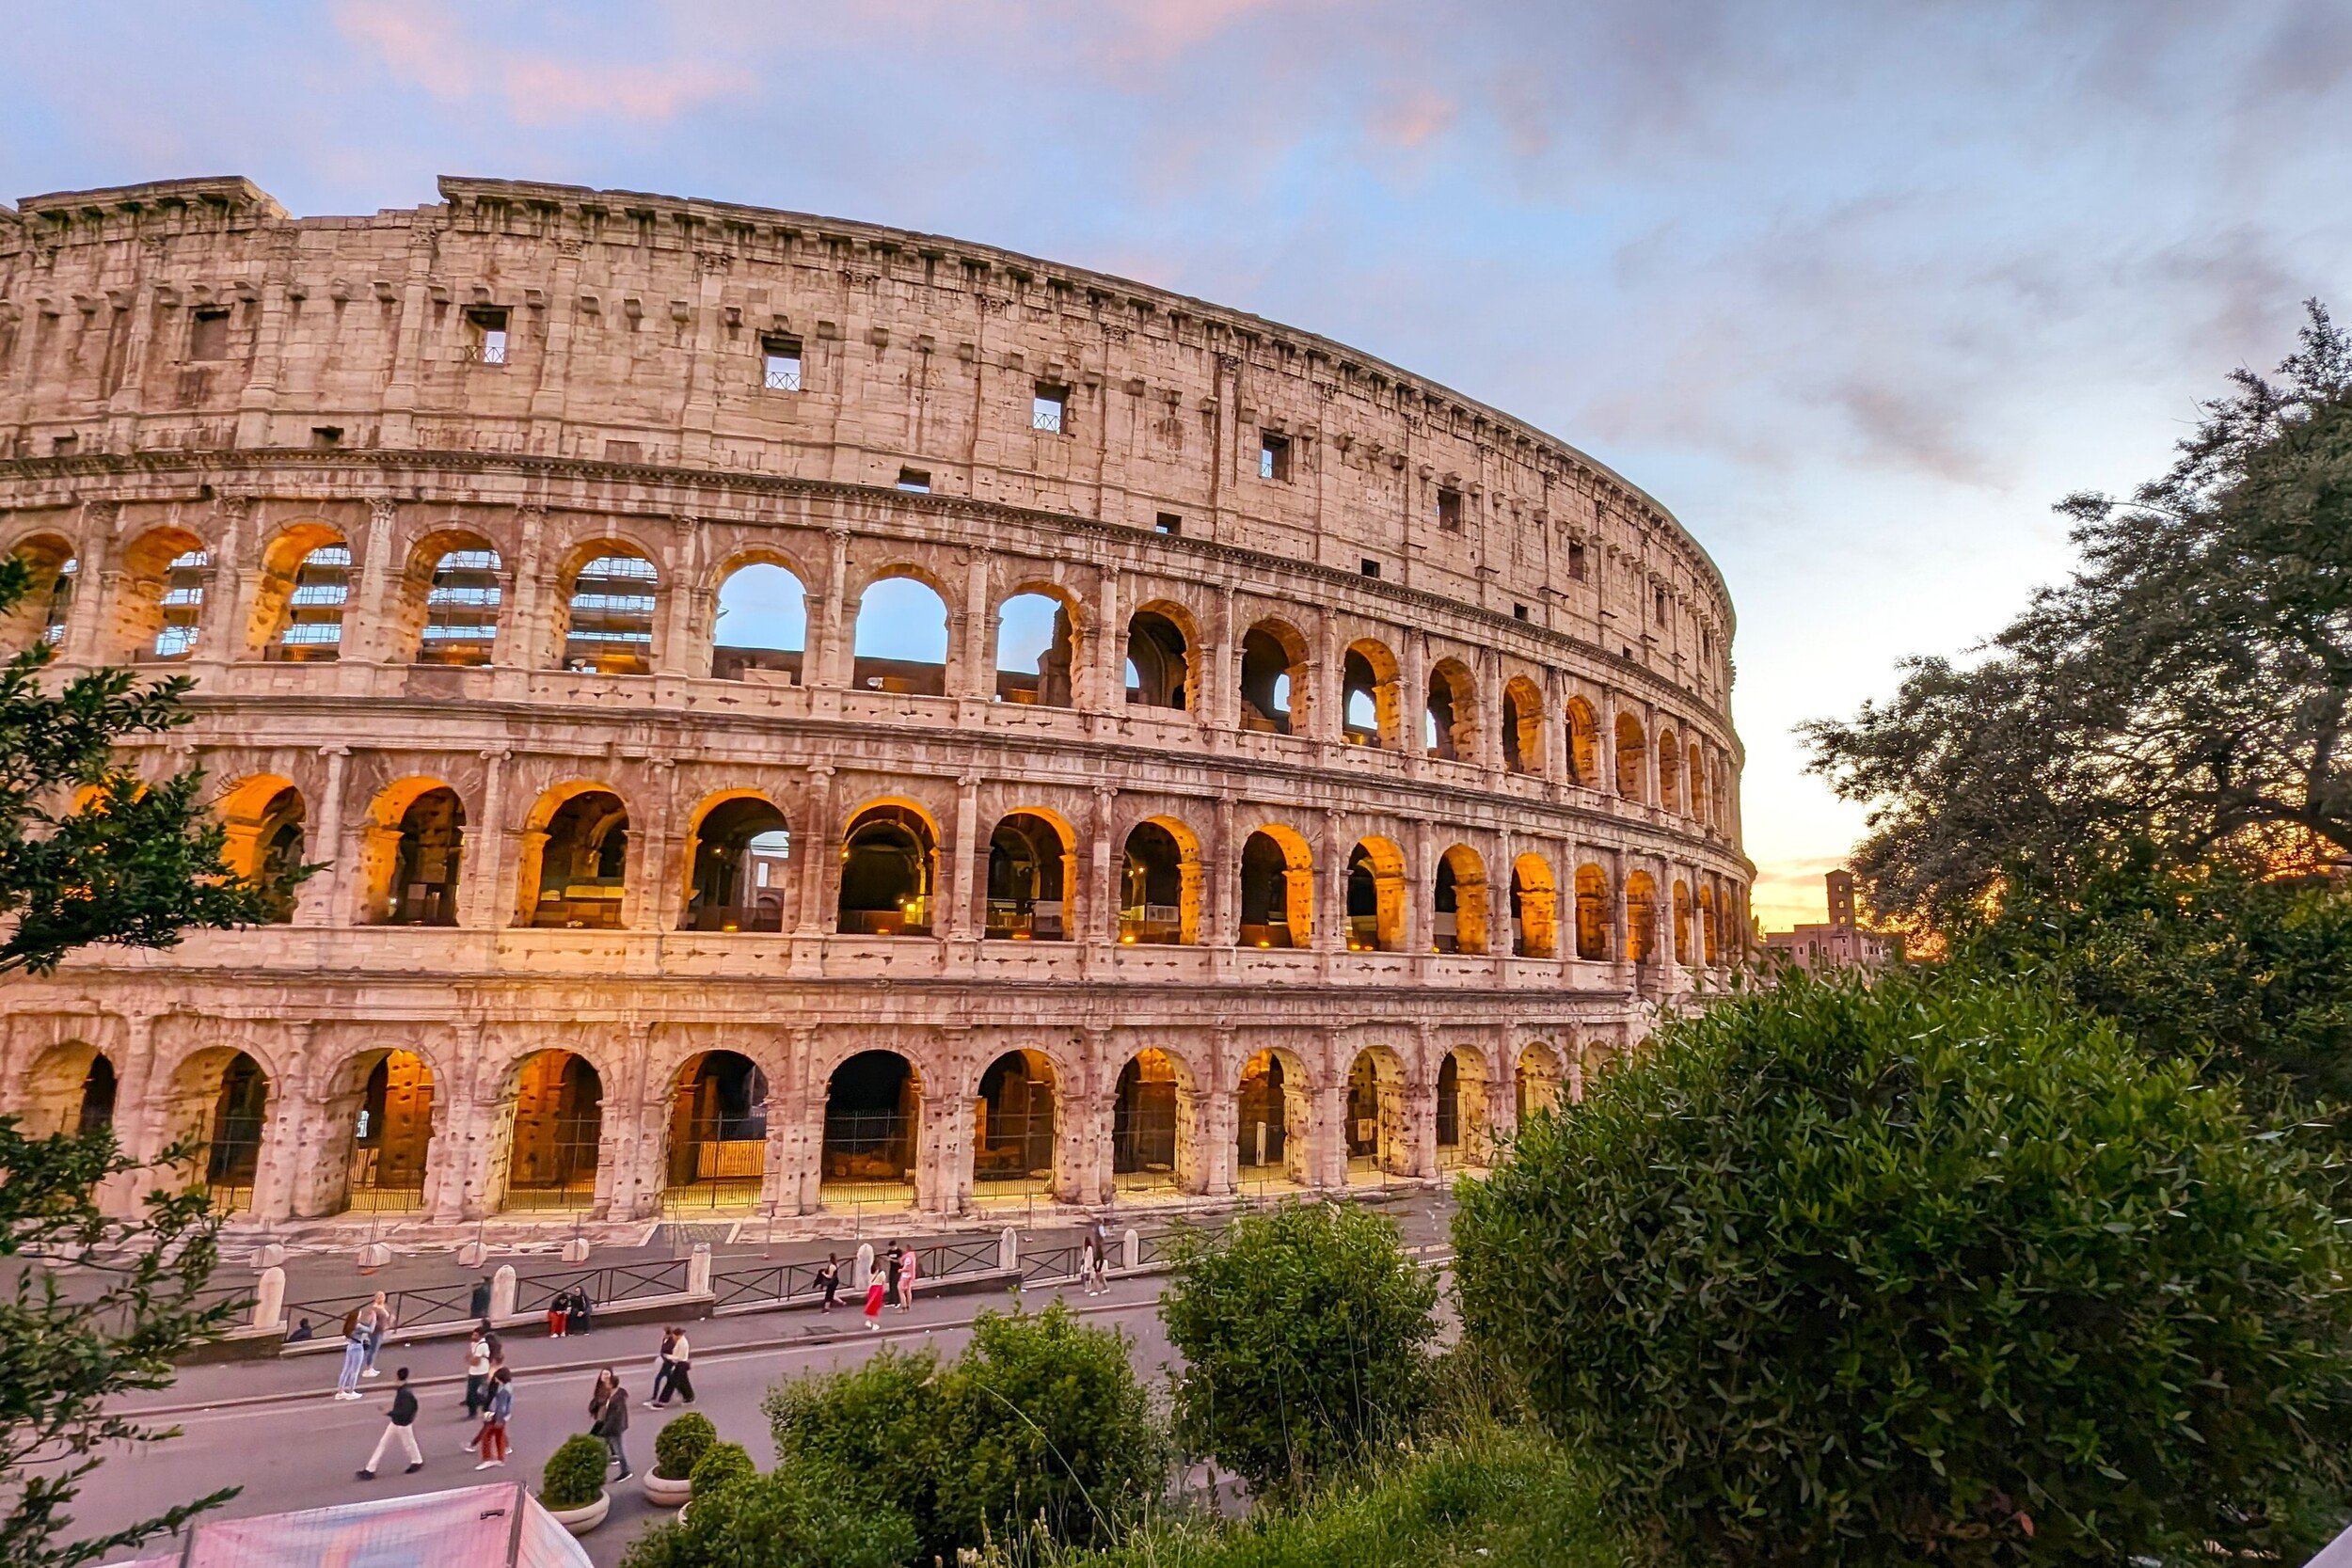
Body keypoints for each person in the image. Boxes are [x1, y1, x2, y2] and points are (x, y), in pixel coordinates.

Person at [357, 1367, 423, 1480]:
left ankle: (417, 1461)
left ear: (397, 1377)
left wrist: (389, 1412)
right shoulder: (405, 1390)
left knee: (406, 1443)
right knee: (389, 1443)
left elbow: (403, 1411)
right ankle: (370, 1469)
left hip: (401, 1423)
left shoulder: (404, 1393)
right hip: (399, 1422)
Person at [591, 1371, 631, 1480]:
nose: (605, 1383)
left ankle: (625, 1471)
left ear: (612, 1384)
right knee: (604, 1447)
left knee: (619, 1450)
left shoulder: (617, 1399)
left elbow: (615, 1418)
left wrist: (604, 1430)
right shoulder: (610, 1394)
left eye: (608, 1382)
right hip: (608, 1426)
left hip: (614, 1428)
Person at [474, 1366, 513, 1469]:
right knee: (499, 1437)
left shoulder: (503, 1390)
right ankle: (500, 1459)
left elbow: (501, 1406)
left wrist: (498, 1419)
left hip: (497, 1417)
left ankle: (487, 1459)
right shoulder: (507, 1387)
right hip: (503, 1417)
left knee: (486, 1437)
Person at [333, 1305, 369, 1401]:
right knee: (355, 1371)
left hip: (350, 1346)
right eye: (360, 1314)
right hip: (358, 1347)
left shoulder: (349, 1325)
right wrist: (373, 1320)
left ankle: (340, 1391)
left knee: (346, 1369)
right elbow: (370, 1330)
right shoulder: (358, 1326)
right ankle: (351, 1391)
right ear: (357, 1316)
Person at [651, 1328, 693, 1407]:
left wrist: (668, 1356)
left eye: (674, 1336)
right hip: (680, 1364)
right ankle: (689, 1397)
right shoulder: (680, 1341)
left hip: (681, 1364)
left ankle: (662, 1401)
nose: (673, 1337)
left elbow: (678, 1357)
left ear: (678, 1335)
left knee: (671, 1382)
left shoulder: (682, 1344)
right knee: (684, 1382)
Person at [463, 1323, 493, 1418]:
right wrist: (470, 1359)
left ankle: (476, 1412)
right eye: (473, 1334)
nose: (473, 1337)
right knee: (476, 1392)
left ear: (481, 1336)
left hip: (480, 1372)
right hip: (474, 1371)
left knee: (474, 1392)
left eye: (475, 1335)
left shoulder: (482, 1345)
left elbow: (475, 1362)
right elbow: (470, 1356)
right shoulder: (474, 1344)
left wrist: (470, 1359)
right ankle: (481, 1409)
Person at [360, 1291, 392, 1377]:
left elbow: (388, 1315)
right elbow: (369, 1321)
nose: (382, 1298)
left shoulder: (384, 1306)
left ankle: (371, 1367)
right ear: (376, 1298)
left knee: (375, 1349)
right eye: (380, 1297)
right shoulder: (374, 1309)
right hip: (376, 1331)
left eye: (383, 1297)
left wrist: (388, 1324)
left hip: (381, 1331)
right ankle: (368, 1369)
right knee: (373, 1349)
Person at [644, 1327, 677, 1408]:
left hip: (669, 1363)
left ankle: (655, 1397)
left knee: (658, 1379)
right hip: (665, 1362)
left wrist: (666, 1357)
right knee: (670, 1380)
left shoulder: (672, 1342)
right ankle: (674, 1393)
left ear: (669, 1334)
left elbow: (670, 1352)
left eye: (665, 1333)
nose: (664, 1335)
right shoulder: (665, 1340)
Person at [896, 1243, 919, 1313]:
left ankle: (904, 1307)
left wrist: (901, 1270)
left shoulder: (908, 1257)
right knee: (908, 1290)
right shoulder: (913, 1256)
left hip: (906, 1275)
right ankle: (908, 1306)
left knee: (901, 1290)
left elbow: (907, 1267)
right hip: (910, 1275)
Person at [863, 1265, 887, 1332]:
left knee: (871, 1305)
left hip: (872, 1289)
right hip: (878, 1289)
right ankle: (875, 1324)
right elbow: (884, 1283)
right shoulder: (882, 1273)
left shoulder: (871, 1274)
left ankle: (869, 1320)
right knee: (876, 1307)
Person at [884, 1244, 905, 1309]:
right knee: (891, 1283)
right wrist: (887, 1259)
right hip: (892, 1269)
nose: (891, 1248)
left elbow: (900, 1262)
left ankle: (897, 1301)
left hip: (898, 1270)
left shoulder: (899, 1252)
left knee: (895, 1284)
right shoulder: (890, 1252)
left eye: (892, 1247)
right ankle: (891, 1300)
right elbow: (887, 1257)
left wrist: (891, 1259)